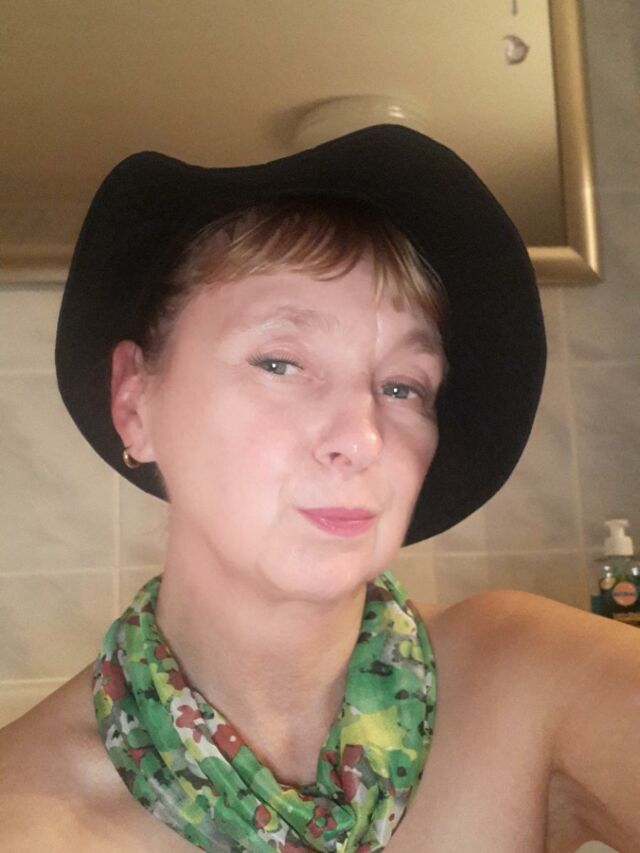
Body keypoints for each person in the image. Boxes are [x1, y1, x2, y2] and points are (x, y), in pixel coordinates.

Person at [0, 125, 638, 852]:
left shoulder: (524, 680)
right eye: (280, 362)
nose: (364, 437)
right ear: (135, 402)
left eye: (403, 386)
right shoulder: (25, 817)